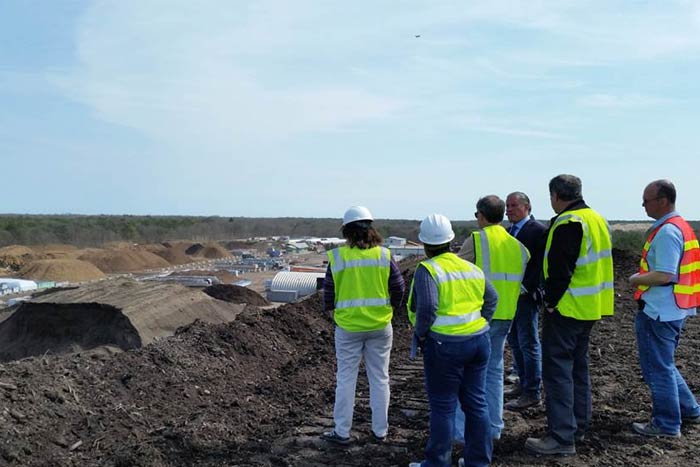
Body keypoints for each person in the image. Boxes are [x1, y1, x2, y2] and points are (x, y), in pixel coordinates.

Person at [525, 174, 614, 456]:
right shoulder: (596, 219)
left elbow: (560, 269)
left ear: (555, 195)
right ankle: (579, 423)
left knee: (558, 372)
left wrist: (550, 302)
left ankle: (562, 437)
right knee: (578, 367)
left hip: (567, 309)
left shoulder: (568, 223)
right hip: (590, 308)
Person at [408, 214, 497, 467]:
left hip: (445, 346)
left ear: (424, 243)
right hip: (479, 342)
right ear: (451, 240)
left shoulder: (428, 270)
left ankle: (437, 463)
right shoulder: (471, 268)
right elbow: (491, 299)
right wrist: (482, 323)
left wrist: (423, 334)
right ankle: (477, 462)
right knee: (477, 403)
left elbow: (427, 308)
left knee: (443, 406)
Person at [320, 206, 405, 445]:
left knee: (346, 378)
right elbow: (398, 287)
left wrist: (332, 312)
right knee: (380, 378)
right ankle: (380, 431)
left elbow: (328, 293)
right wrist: (391, 308)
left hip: (348, 328)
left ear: (347, 231)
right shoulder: (384, 255)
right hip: (380, 326)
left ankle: (342, 432)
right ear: (371, 228)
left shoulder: (338, 257)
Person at [629, 180, 700, 438]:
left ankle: (667, 424)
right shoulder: (681, 227)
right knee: (665, 365)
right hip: (673, 308)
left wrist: (635, 279)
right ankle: (689, 409)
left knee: (657, 369)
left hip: (659, 310)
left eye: (646, 201)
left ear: (663, 201)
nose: (643, 205)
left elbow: (666, 275)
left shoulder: (668, 232)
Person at [456, 195, 529, 441]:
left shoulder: (476, 241)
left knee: (467, 374)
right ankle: (494, 428)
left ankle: (462, 431)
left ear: (481, 215)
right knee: (494, 371)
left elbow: (455, 274)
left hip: (478, 317)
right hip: (506, 315)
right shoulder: (519, 248)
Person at [503, 192, 547, 411]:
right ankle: (521, 382)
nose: (508, 209)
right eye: (507, 206)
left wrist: (527, 287)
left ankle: (532, 391)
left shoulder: (538, 231)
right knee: (515, 342)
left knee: (528, 342)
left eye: (513, 205)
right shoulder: (508, 231)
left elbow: (539, 264)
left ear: (527, 207)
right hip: (511, 296)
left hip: (527, 296)